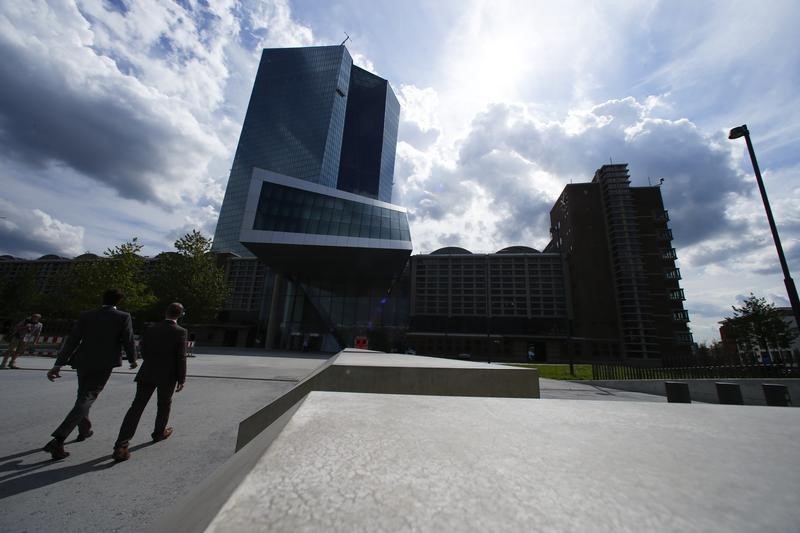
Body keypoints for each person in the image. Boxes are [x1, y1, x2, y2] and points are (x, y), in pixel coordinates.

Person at [42, 289, 137, 460]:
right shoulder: (123, 316)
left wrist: (58, 364)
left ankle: (84, 430)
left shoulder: (87, 315)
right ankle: (59, 438)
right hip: (104, 363)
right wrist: (132, 359)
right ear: (119, 300)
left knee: (83, 395)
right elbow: (128, 339)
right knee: (88, 396)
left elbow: (73, 339)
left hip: (82, 360)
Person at [112, 302, 187, 462]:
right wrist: (181, 378)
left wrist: (151, 362)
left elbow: (143, 349)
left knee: (137, 406)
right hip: (168, 375)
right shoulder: (180, 332)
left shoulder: (152, 328)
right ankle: (159, 433)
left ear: (165, 312)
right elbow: (180, 356)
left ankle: (121, 444)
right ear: (180, 315)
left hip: (147, 372)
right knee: (164, 404)